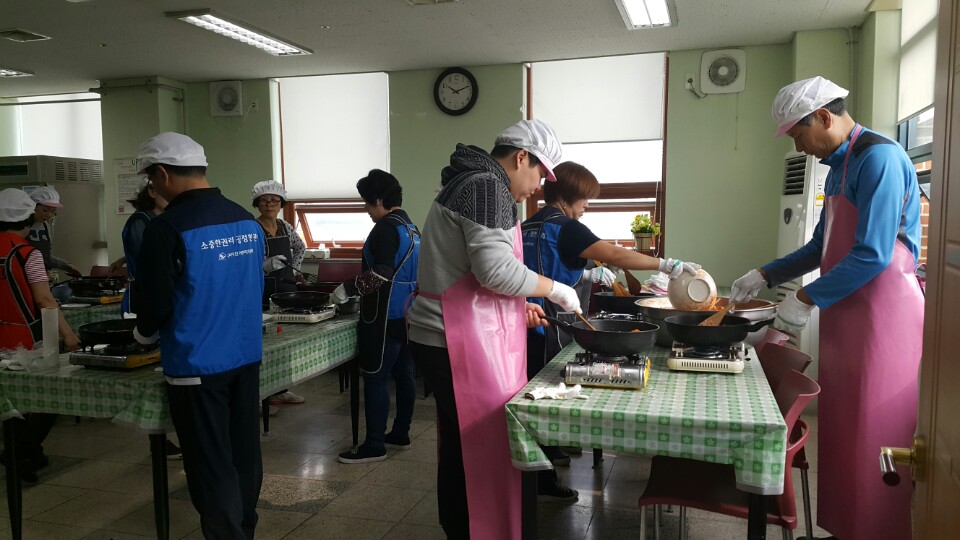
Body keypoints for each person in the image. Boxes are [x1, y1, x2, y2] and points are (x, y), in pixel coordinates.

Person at [729, 76, 923, 540]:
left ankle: (880, 530)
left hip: (884, 317)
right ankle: (848, 528)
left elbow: (874, 253)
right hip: (848, 312)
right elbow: (821, 246)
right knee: (844, 430)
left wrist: (805, 297)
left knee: (876, 431)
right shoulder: (840, 166)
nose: (799, 147)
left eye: (799, 135)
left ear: (823, 117)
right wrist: (766, 274)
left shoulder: (880, 158)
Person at [407, 119, 581, 540]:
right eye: (540, 173)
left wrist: (514, 310)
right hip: (452, 340)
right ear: (521, 157)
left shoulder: (472, 182)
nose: (539, 185)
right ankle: (476, 530)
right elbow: (496, 271)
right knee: (479, 447)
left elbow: (466, 273)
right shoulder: (487, 187)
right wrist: (555, 290)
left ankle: (463, 529)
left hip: (447, 333)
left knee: (460, 447)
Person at [521, 161, 699, 498]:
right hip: (552, 325)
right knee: (542, 399)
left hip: (524, 321)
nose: (588, 206)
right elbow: (615, 254)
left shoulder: (529, 224)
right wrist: (666, 264)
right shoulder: (567, 226)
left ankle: (550, 452)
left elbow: (573, 260)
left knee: (534, 394)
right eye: (587, 198)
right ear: (572, 195)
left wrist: (588, 271)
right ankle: (540, 482)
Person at [131, 132, 265, 539]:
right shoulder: (244, 217)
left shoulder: (166, 227)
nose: (151, 188)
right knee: (244, 455)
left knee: (210, 465)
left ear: (163, 173)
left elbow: (155, 305)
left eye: (151, 179)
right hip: (245, 356)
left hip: (197, 365)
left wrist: (141, 336)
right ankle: (244, 529)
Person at [336, 170, 420, 464]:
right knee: (404, 375)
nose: (367, 211)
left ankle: (374, 444)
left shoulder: (385, 228)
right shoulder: (411, 227)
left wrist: (347, 289)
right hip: (409, 315)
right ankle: (400, 432)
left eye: (368, 204)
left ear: (380, 200)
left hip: (383, 316)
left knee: (375, 378)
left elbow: (381, 272)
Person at [0, 188, 80, 482]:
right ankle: (20, 451)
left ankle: (25, 452)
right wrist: (68, 335)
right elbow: (45, 301)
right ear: (28, 216)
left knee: (9, 400)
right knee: (49, 398)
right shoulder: (26, 254)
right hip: (26, 340)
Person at [252, 179, 307, 407]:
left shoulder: (286, 226)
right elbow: (246, 262)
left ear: (281, 203)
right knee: (266, 345)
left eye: (274, 200)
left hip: (286, 288)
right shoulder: (253, 229)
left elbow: (301, 247)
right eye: (264, 201)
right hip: (262, 291)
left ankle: (282, 389)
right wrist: (264, 266)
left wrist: (296, 269)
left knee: (285, 342)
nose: (270, 204)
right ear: (257, 204)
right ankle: (263, 395)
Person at [27, 186, 82, 277]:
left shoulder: (46, 226)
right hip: (25, 276)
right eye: (45, 210)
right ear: (33, 206)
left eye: (53, 211)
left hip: (42, 276)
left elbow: (46, 257)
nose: (48, 215)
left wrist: (66, 266)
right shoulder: (21, 227)